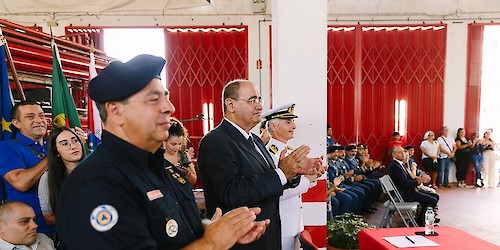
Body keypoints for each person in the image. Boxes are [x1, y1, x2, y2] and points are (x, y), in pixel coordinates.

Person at [56, 55, 269, 250]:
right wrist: (211, 244)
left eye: (165, 97)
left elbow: (170, 229)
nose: (170, 107)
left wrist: (210, 229)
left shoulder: (159, 169)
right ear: (116, 111)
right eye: (153, 99)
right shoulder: (97, 184)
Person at [197, 80, 322, 249]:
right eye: (252, 100)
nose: (259, 107)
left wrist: (294, 173)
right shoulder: (216, 141)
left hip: (268, 235)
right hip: (243, 241)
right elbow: (230, 193)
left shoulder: (254, 139)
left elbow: (270, 181)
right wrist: (282, 173)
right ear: (231, 104)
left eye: (259, 100)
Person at [262, 103, 321, 250]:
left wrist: (312, 175)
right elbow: (274, 192)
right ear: (273, 127)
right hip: (282, 222)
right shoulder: (270, 155)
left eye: (293, 122)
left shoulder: (287, 152)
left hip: (294, 221)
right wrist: (307, 181)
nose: (294, 126)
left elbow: (293, 183)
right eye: (288, 122)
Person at [0, 101, 55, 236]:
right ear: (16, 123)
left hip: (67, 224)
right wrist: (54, 155)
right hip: (33, 232)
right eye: (30, 116)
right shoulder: (7, 148)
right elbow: (21, 183)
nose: (39, 120)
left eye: (41, 115)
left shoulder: (55, 143)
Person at [38, 126, 85, 226]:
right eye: (64, 144)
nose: (73, 146)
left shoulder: (97, 169)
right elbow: (48, 217)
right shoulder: (48, 178)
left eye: (75, 141)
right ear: (56, 152)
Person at [387, 146, 439, 226]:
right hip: (405, 194)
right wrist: (418, 181)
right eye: (400, 152)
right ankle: (423, 222)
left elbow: (408, 180)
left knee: (435, 196)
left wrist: (419, 180)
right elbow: (404, 184)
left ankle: (421, 221)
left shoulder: (400, 164)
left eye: (403, 151)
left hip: (410, 190)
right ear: (394, 155)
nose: (403, 154)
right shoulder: (394, 166)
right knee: (432, 200)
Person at [163, 117, 197, 185]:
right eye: (173, 144)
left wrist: (187, 173)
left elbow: (194, 181)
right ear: (164, 141)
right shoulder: (156, 156)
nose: (177, 147)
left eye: (180, 144)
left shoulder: (184, 155)